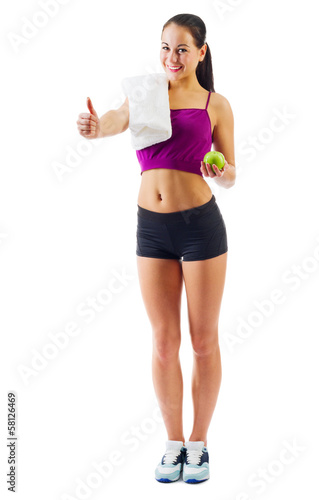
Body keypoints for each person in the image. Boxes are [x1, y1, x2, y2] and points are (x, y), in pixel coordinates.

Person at [77, 12, 236, 484]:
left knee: (203, 340)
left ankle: (199, 444)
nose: (172, 57)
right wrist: (93, 126)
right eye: (165, 47)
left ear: (201, 53)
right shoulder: (145, 92)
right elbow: (114, 120)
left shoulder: (215, 104)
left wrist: (219, 171)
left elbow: (231, 173)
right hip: (151, 229)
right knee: (165, 343)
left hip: (200, 227)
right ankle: (173, 444)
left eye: (182, 49)